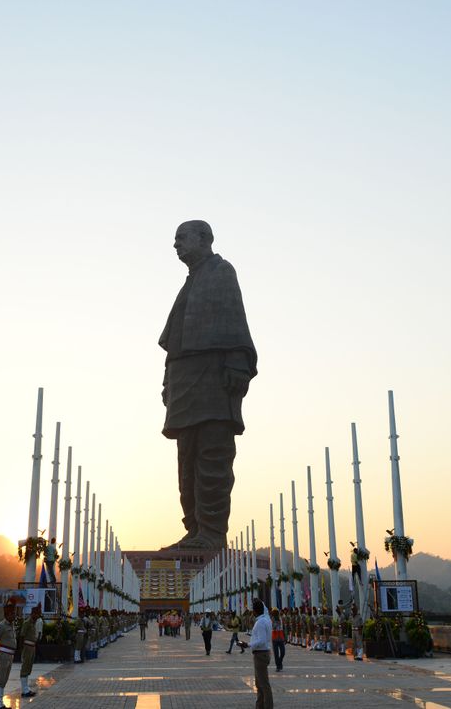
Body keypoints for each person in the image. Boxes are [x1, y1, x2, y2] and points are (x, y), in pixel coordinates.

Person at [160, 220, 258, 550]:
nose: (176, 245)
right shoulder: (189, 284)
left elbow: (234, 323)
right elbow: (174, 342)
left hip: (214, 381)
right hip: (185, 384)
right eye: (174, 239)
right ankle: (195, 529)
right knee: (186, 463)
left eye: (181, 238)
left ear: (204, 239)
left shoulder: (221, 272)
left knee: (212, 458)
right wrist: (167, 382)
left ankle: (212, 533)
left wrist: (236, 365)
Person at [245, 599, 274, 709]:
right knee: (259, 684)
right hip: (263, 653)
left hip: (260, 654)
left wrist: (248, 644)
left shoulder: (260, 623)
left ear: (254, 611)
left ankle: (268, 706)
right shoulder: (266, 619)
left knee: (264, 685)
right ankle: (260, 706)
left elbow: (261, 640)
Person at [0, 602, 18, 709]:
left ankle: (0, 703)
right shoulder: (2, 625)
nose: (14, 615)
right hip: (3, 655)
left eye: (14, 613)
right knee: (0, 679)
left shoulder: (11, 625)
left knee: (4, 679)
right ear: (6, 615)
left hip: (10, 655)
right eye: (12, 614)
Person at [19, 605, 41, 698]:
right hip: (27, 647)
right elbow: (22, 635)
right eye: (37, 614)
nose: (38, 616)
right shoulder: (27, 622)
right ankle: (24, 690)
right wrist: (21, 649)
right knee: (25, 667)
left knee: (28, 667)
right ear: (33, 614)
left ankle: (26, 688)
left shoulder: (33, 623)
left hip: (32, 647)